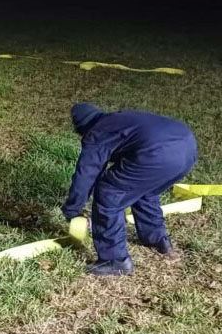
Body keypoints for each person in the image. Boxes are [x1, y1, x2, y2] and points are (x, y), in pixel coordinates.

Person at [62, 102, 197, 276]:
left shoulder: (96, 132)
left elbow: (86, 174)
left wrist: (72, 209)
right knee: (145, 189)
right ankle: (157, 239)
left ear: (81, 127)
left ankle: (115, 260)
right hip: (188, 147)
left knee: (109, 192)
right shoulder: (117, 120)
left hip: (159, 153)